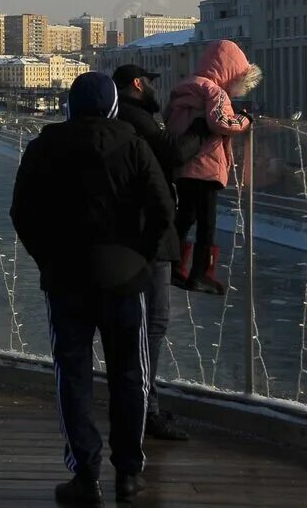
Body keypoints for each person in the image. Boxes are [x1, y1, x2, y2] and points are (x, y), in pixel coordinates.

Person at [12, 72, 174, 505]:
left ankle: (86, 474)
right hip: (125, 279)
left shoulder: (44, 146)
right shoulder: (134, 145)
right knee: (131, 376)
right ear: (113, 105)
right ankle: (128, 474)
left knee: (73, 376)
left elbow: (22, 212)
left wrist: (47, 257)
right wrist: (139, 254)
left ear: (70, 105)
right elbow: (163, 208)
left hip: (66, 280)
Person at [113, 64, 206, 442]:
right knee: (153, 324)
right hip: (150, 238)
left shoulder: (119, 118)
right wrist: (204, 125)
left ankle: (138, 405)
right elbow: (174, 153)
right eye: (150, 82)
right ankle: (144, 410)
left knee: (138, 325)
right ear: (138, 85)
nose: (155, 88)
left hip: (128, 236)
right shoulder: (140, 120)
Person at [165, 40, 262, 296]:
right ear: (230, 71)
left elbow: (169, 120)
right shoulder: (215, 91)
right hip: (207, 166)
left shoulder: (184, 88)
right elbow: (220, 121)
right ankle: (201, 274)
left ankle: (173, 266)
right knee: (207, 222)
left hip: (185, 165)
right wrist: (244, 119)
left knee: (185, 215)